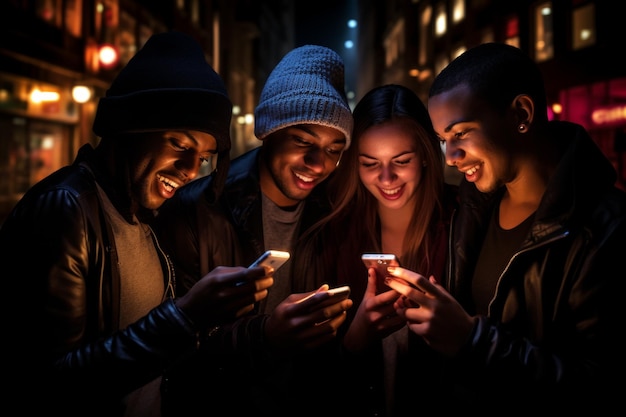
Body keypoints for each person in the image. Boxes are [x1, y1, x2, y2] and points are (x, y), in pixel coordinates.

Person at [0, 31, 274, 417]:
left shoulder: (145, 213)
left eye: (205, 157)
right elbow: (49, 381)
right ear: (132, 128)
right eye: (179, 145)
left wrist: (217, 314)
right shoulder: (65, 210)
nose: (191, 170)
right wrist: (184, 316)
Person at [384, 42, 626, 413]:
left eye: (461, 133)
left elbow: (598, 385)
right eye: (444, 141)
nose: (450, 157)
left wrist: (471, 339)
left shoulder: (604, 230)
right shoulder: (470, 207)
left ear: (521, 113)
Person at [153, 44, 354, 416]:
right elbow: (169, 342)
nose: (318, 163)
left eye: (333, 149)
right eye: (303, 141)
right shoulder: (197, 207)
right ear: (269, 131)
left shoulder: (334, 211)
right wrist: (265, 336)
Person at [299, 84, 457, 416]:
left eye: (401, 160)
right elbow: (311, 377)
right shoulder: (335, 231)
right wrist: (355, 341)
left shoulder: (461, 221)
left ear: (427, 156)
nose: (387, 178)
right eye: (370, 163)